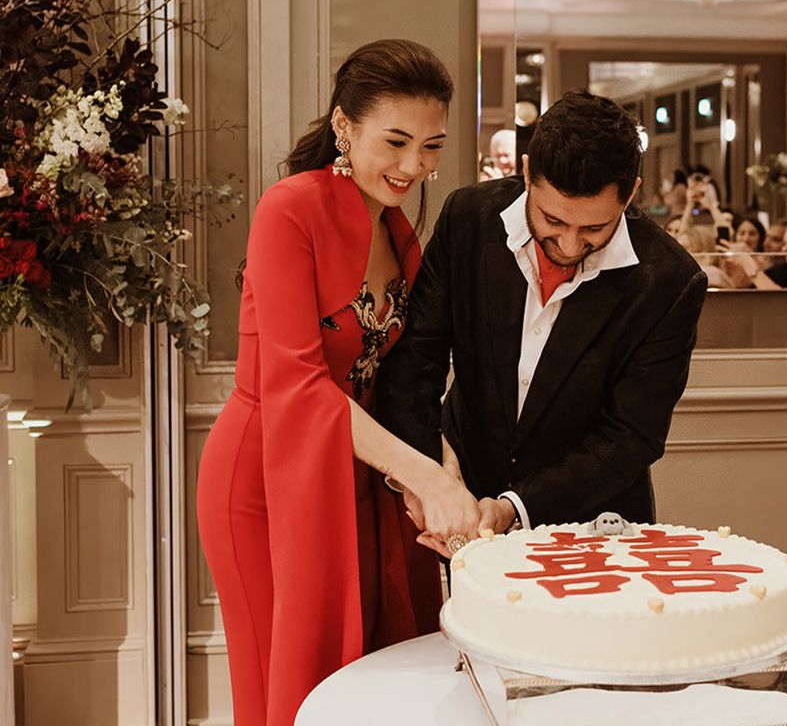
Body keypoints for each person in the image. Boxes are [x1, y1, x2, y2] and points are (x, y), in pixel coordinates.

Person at [196, 40, 482, 726]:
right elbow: (295, 379)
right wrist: (427, 477)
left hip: (357, 472)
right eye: (397, 141)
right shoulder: (288, 209)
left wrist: (441, 465)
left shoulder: (399, 229)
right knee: (285, 688)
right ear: (344, 127)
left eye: (433, 146)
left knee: (373, 682)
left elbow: (398, 375)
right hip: (267, 472)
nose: (415, 166)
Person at [377, 90, 708, 537]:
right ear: (528, 172)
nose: (570, 245)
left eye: (594, 228)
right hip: (468, 502)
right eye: (553, 220)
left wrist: (517, 507)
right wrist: (431, 472)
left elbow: (632, 435)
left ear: (630, 194)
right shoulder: (469, 220)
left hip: (595, 524)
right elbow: (416, 357)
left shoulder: (668, 281)